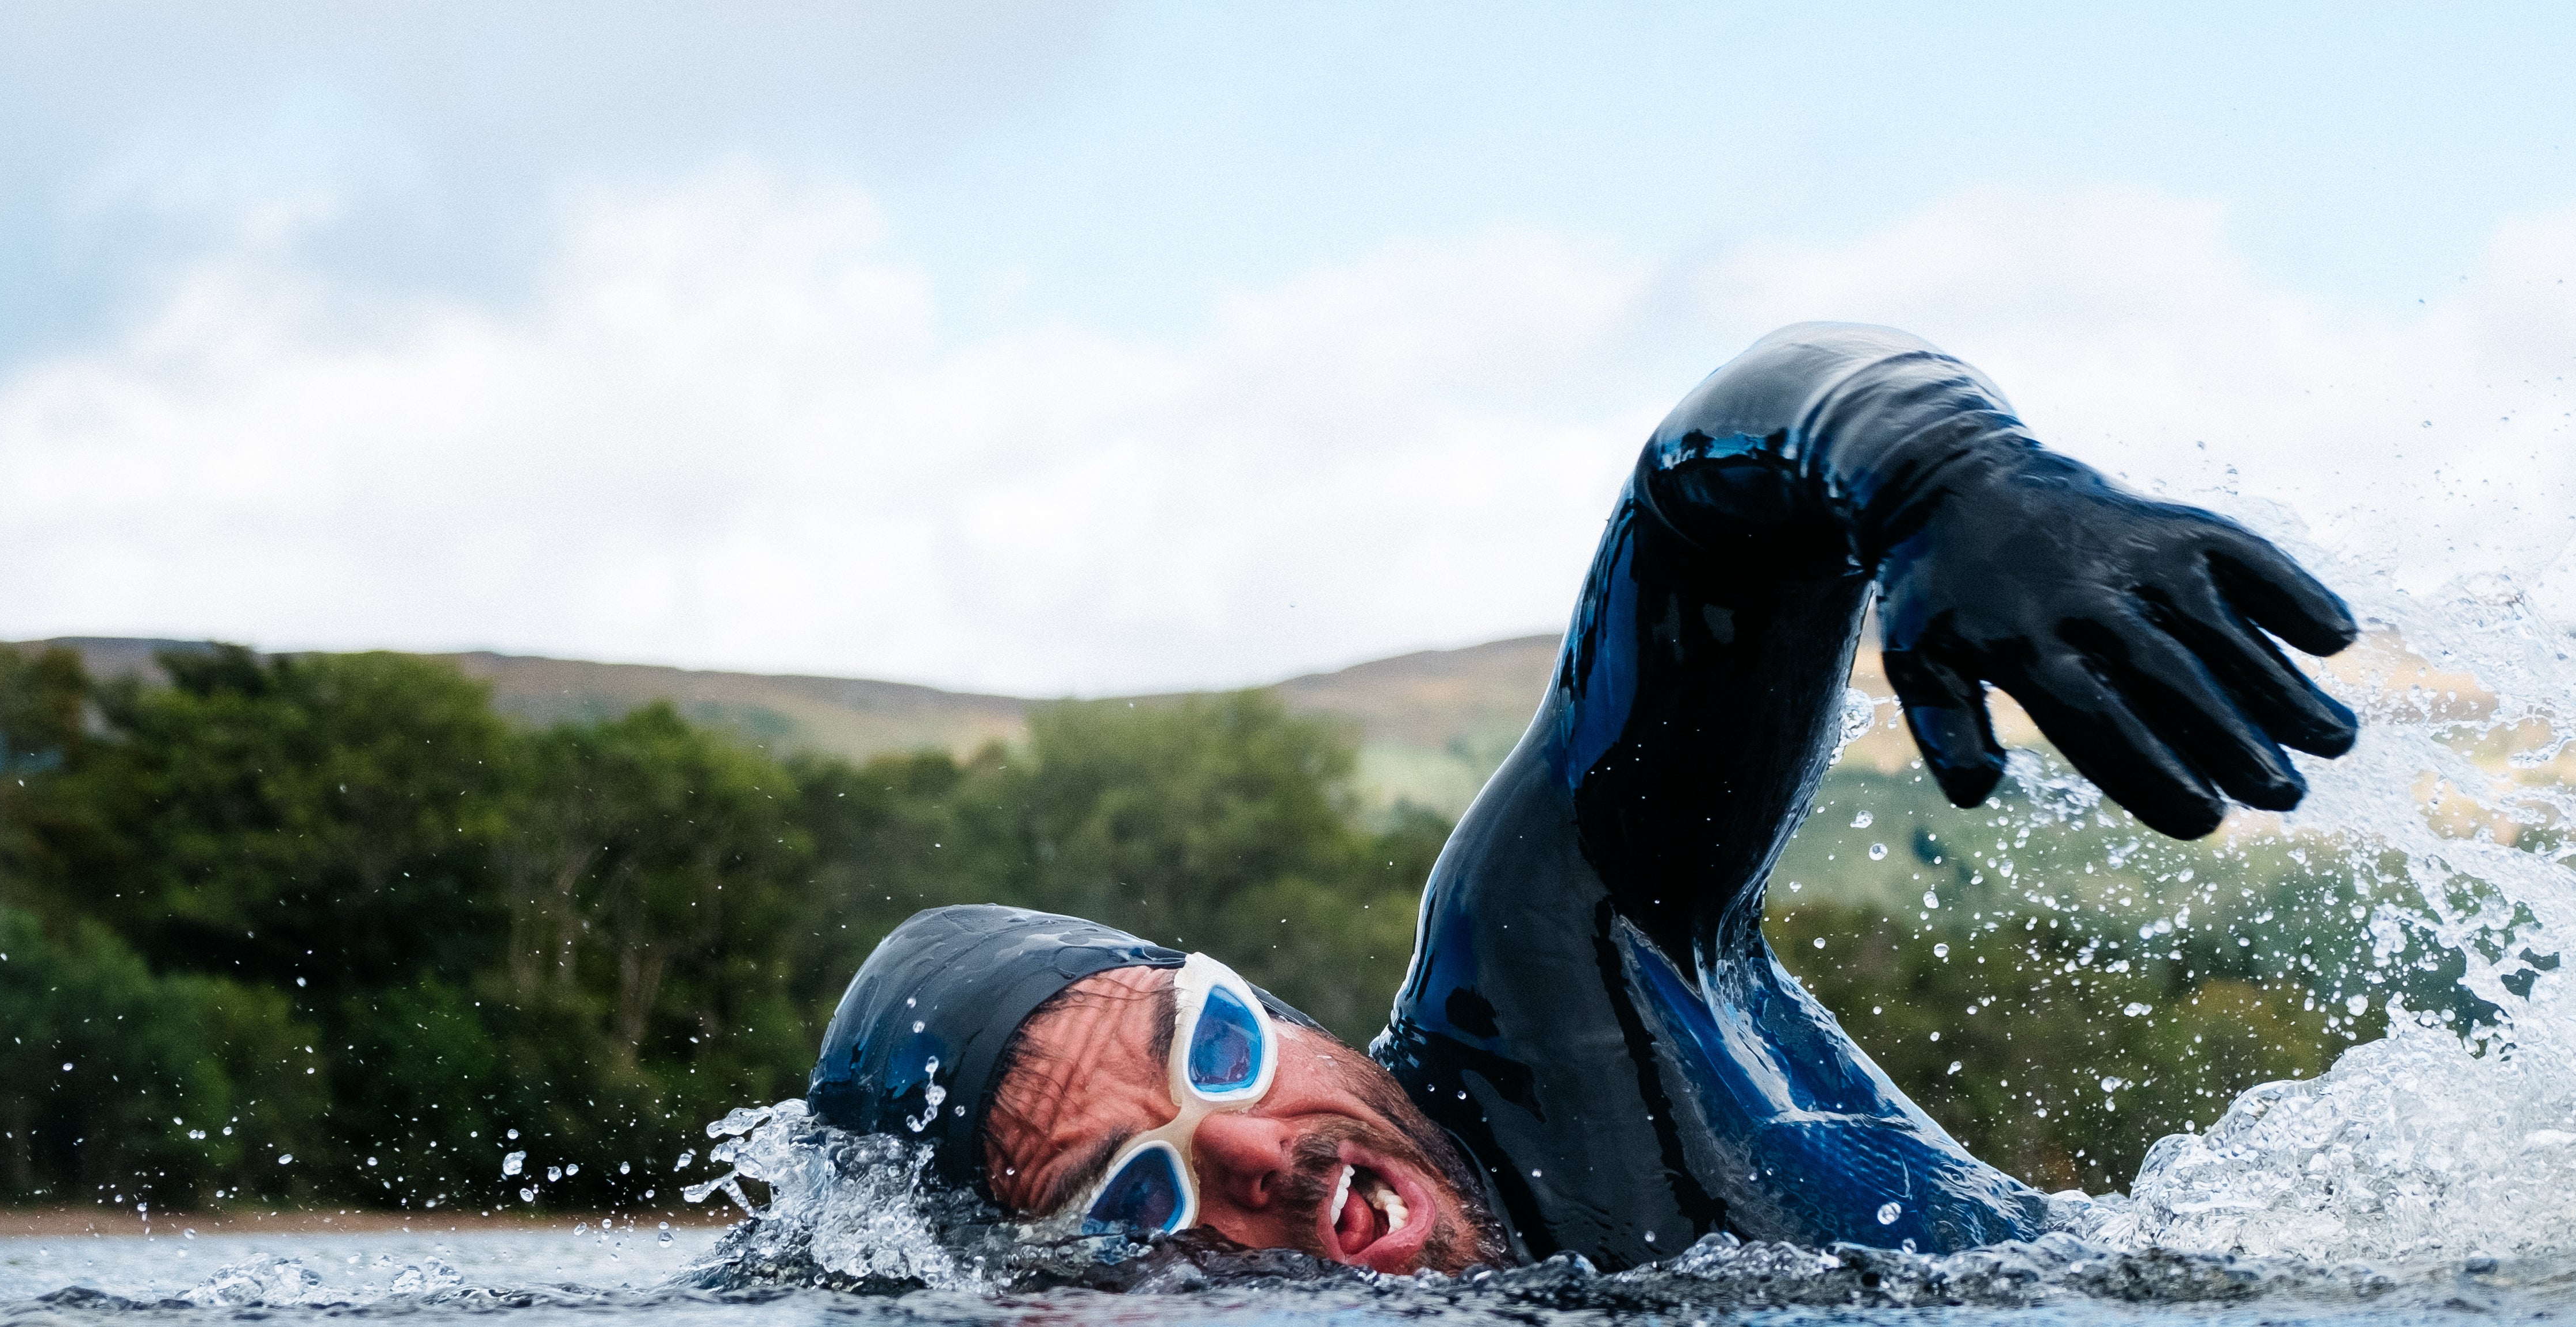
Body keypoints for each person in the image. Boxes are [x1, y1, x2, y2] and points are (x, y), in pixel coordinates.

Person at [807, 323, 2362, 1274]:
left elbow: (1709, 480)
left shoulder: (1557, 953)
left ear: (1283, 1008)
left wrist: (1938, 472)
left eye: (1216, 1049)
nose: (1262, 1156)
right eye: (1135, 1193)